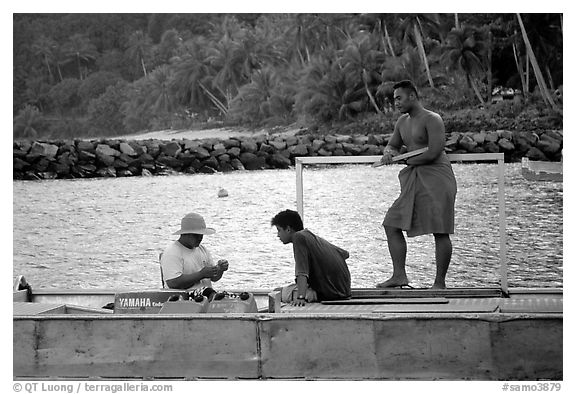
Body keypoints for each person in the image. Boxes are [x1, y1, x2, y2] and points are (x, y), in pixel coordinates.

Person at [376, 80, 457, 290]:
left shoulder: (432, 119)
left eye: (399, 98)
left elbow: (434, 151)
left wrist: (405, 160)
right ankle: (399, 276)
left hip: (437, 177)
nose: (396, 103)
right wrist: (389, 153)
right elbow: (393, 145)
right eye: (394, 99)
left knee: (440, 230)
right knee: (391, 223)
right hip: (414, 177)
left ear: (412, 96)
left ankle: (439, 283)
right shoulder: (402, 122)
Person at [271, 209, 351, 306]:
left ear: (288, 229)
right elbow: (345, 254)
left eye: (279, 230)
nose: (277, 235)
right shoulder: (311, 237)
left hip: (328, 294)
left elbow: (302, 273)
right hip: (344, 291)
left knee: (275, 294)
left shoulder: (298, 237)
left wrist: (301, 297)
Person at [160, 213, 229, 291]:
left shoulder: (202, 250)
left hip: (206, 297)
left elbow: (214, 277)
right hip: (184, 300)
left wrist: (220, 269)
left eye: (202, 234)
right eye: (196, 235)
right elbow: (173, 283)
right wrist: (201, 274)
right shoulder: (172, 252)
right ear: (185, 234)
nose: (200, 238)